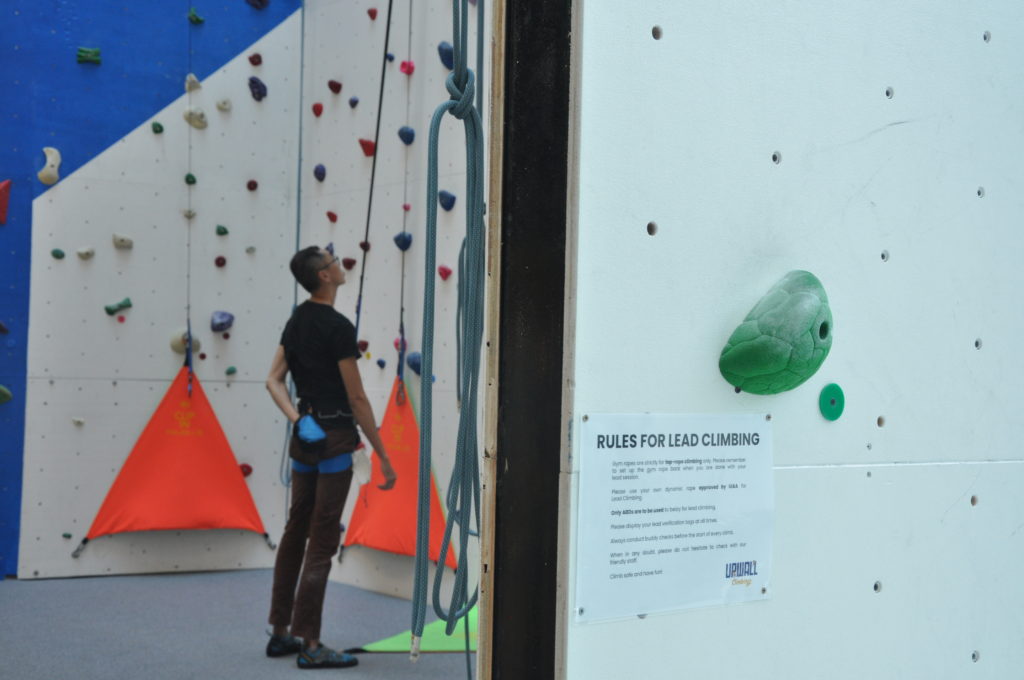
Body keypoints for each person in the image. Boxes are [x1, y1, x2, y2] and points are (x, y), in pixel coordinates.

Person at [264, 246, 397, 669]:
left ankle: (281, 633)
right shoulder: (338, 327)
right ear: (324, 277)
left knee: (294, 532)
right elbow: (357, 397)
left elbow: (273, 380)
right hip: (336, 438)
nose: (340, 264)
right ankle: (312, 645)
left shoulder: (297, 319)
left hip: (305, 439)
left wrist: (297, 418)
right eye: (332, 260)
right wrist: (383, 455)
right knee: (322, 540)